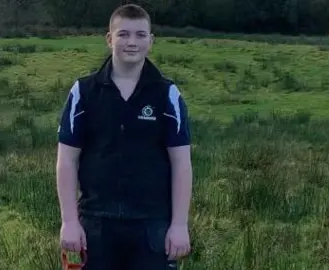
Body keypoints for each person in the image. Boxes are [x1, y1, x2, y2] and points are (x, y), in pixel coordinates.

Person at [56, 3, 193, 270]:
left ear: (151, 41)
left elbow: (182, 164)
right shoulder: (84, 92)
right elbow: (66, 160)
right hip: (96, 222)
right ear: (109, 39)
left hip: (152, 225)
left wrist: (179, 225)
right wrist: (70, 222)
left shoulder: (167, 95)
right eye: (123, 34)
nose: (132, 42)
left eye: (140, 35)